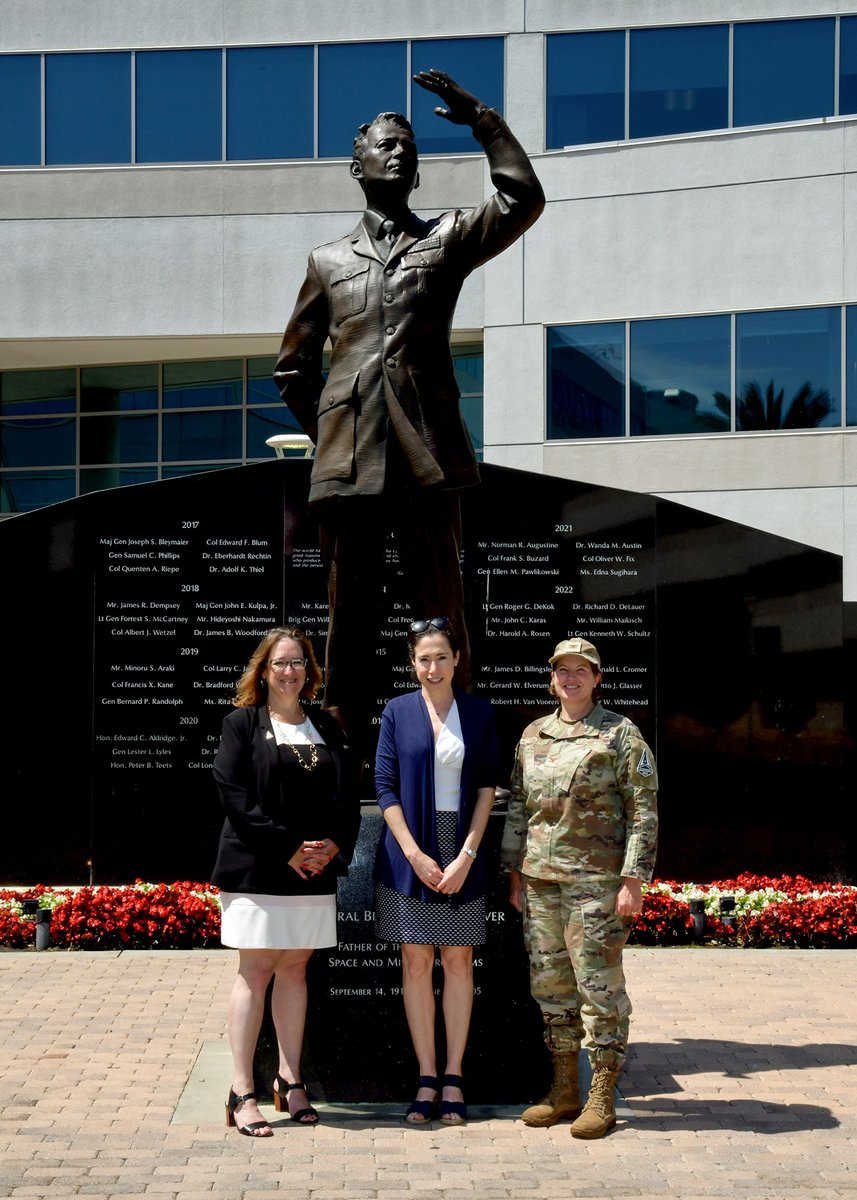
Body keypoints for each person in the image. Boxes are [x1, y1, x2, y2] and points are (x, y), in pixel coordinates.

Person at [274, 69, 544, 743]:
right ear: (355, 165)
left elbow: (520, 198)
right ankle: (341, 752)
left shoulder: (446, 238)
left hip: (426, 458)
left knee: (440, 610)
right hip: (351, 466)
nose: (399, 153)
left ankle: (459, 743)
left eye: (409, 148)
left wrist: (481, 118)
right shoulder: (327, 260)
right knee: (350, 616)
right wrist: (336, 429)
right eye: (385, 144)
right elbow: (293, 367)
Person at [501, 638, 658, 1139]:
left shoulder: (620, 735)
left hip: (597, 886)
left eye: (580, 671)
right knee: (550, 987)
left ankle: (601, 1094)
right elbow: (520, 806)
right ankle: (564, 1087)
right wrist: (515, 872)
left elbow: (643, 810)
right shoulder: (534, 734)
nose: (570, 678)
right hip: (541, 883)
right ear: (552, 678)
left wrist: (633, 880)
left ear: (596, 678)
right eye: (561, 671)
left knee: (599, 989)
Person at [211, 626, 360, 1136]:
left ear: (309, 671)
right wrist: (288, 848)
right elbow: (233, 795)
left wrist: (335, 845)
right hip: (257, 866)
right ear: (263, 670)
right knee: (256, 971)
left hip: (313, 870)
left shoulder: (326, 724)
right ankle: (241, 1089)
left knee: (296, 969)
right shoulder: (241, 724)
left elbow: (347, 794)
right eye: (280, 663)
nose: (289, 672)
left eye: (298, 662)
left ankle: (290, 1080)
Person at [374, 618, 498, 1124]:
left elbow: (488, 787)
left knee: (459, 961)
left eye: (441, 656)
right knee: (417, 964)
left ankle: (453, 1075)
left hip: (462, 845)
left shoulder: (478, 711)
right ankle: (426, 1076)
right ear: (413, 663)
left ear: (456, 660)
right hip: (411, 849)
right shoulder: (397, 712)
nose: (433, 667)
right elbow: (385, 786)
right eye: (423, 658)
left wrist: (466, 854)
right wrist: (414, 855)